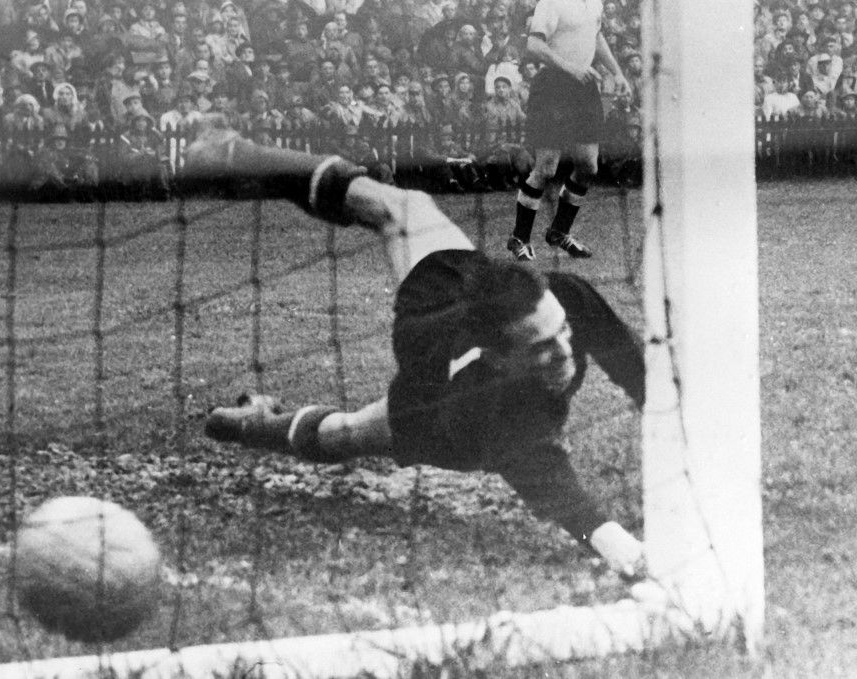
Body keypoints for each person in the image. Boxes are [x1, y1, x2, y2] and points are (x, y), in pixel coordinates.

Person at [191, 131, 646, 579]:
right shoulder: (478, 400)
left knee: (409, 206)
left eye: (562, 331)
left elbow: (639, 369)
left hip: (462, 290)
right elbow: (546, 477)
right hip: (437, 396)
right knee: (347, 434)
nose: (565, 352)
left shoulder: (566, 299)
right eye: (542, 349)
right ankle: (252, 424)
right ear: (498, 357)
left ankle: (239, 154)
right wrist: (619, 545)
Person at [507, 0, 629, 262]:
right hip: (553, 86)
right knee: (546, 169)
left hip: (583, 87)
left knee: (588, 166)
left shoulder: (594, 2)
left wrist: (617, 72)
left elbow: (596, 36)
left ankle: (559, 232)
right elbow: (534, 45)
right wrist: (569, 67)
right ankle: (519, 237)